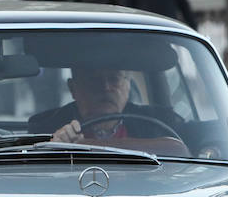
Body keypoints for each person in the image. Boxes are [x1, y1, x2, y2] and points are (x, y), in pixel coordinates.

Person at [28, 63, 187, 155]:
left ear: (127, 86)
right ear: (73, 88)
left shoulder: (158, 121)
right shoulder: (46, 126)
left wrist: (82, 145)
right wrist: (55, 145)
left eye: (114, 79)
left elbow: (186, 150)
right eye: (93, 80)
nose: (105, 87)